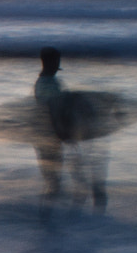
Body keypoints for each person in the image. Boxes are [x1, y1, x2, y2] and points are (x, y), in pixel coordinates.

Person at [30, 47, 109, 216]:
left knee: (60, 181)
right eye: (57, 62)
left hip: (52, 137)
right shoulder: (45, 85)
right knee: (54, 183)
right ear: (50, 62)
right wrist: (64, 134)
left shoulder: (49, 82)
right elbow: (51, 112)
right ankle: (47, 220)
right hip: (49, 139)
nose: (58, 65)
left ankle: (59, 219)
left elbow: (61, 106)